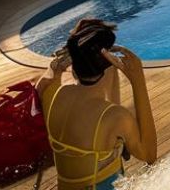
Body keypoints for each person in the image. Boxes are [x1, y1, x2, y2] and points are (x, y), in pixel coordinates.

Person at [36, 19, 157, 189]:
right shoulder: (115, 117)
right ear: (108, 62)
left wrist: (76, 47)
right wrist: (138, 82)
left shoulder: (57, 94)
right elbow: (149, 155)